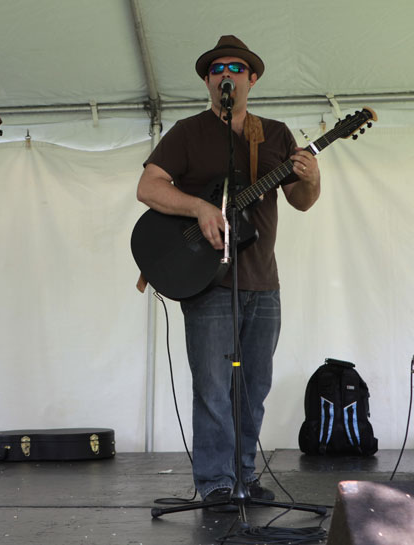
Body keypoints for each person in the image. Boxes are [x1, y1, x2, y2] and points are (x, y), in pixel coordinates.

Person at [136, 36, 321, 507]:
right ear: (207, 80)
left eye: (237, 68)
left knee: (253, 388)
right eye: (218, 68)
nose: (227, 74)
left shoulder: (274, 134)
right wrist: (199, 207)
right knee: (214, 389)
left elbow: (301, 201)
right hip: (206, 282)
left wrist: (312, 179)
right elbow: (149, 187)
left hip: (263, 280)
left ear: (251, 79)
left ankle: (243, 477)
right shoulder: (187, 132)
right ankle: (216, 483)